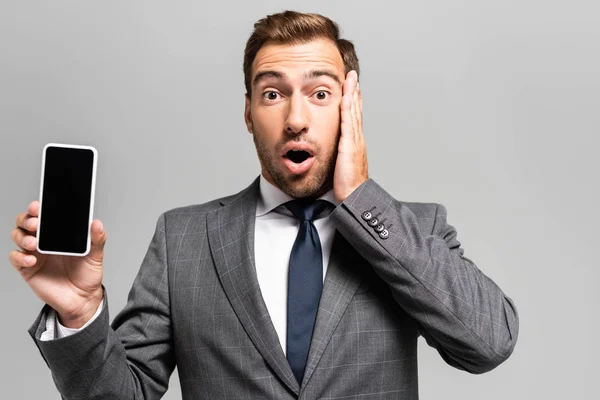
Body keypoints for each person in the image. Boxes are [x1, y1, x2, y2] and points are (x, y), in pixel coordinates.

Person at [9, 10, 519, 400]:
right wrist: (79, 314)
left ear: (350, 108)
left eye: (320, 93)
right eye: (272, 94)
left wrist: (360, 198)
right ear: (249, 114)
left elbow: (488, 343)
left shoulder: (415, 228)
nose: (296, 118)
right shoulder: (183, 239)